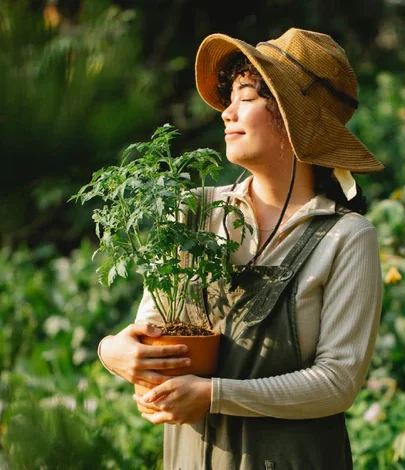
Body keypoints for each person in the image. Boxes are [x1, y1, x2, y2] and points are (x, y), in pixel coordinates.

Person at [98, 27, 384, 469]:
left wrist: (215, 396)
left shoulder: (346, 237)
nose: (226, 113)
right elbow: (153, 327)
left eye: (245, 97)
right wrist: (115, 352)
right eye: (230, 98)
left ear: (292, 121)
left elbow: (338, 381)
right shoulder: (193, 212)